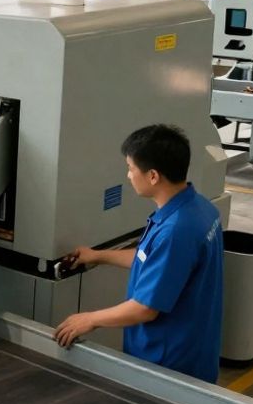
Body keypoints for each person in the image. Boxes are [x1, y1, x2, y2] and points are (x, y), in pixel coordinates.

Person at [54, 125, 224, 383]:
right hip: (194, 348)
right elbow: (154, 259)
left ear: (153, 176)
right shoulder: (198, 207)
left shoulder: (175, 231)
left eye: (131, 168)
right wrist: (98, 256)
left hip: (168, 364)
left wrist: (89, 319)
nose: (129, 175)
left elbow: (145, 309)